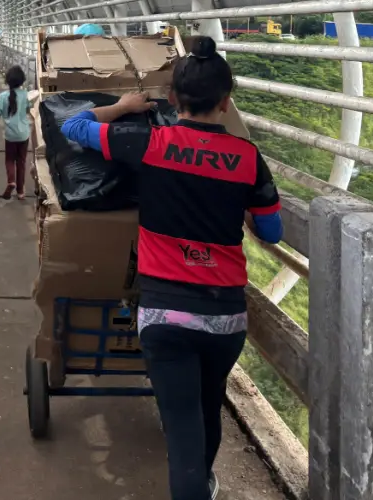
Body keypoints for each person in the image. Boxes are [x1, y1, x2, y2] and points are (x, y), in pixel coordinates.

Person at [59, 36, 282, 500]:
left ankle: (195, 487)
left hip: (166, 315)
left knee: (181, 430)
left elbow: (73, 126)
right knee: (206, 410)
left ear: (173, 98)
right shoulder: (247, 159)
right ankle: (204, 482)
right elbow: (272, 230)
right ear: (226, 101)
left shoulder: (149, 143)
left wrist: (121, 107)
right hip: (224, 317)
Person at [0, 65, 31, 200]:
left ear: (8, 81)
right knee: (21, 162)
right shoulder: (25, 95)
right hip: (24, 134)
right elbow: (27, 112)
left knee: (9, 160)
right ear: (22, 80)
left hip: (10, 135)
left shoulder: (2, 97)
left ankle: (11, 181)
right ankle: (20, 192)